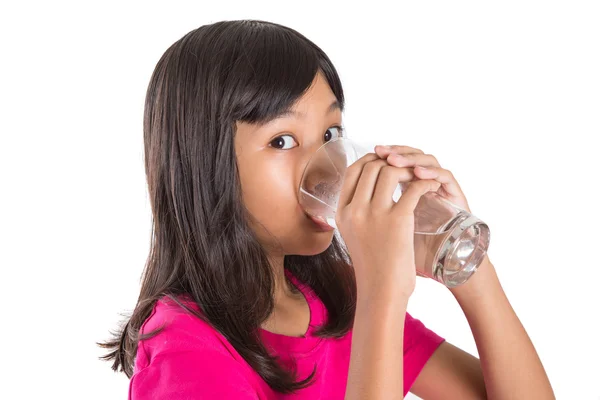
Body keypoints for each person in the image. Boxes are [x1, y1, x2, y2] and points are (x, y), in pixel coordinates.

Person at [98, 19, 555, 399]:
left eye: (332, 134)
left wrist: (466, 267)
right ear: (205, 166)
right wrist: (382, 294)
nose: (326, 169)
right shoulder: (184, 349)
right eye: (282, 140)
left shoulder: (335, 298)